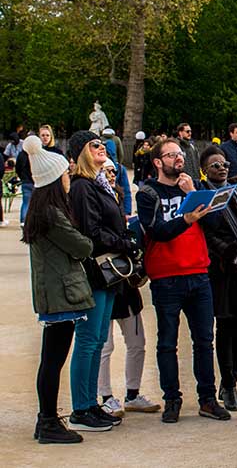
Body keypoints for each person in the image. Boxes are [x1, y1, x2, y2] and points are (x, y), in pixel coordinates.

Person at [136, 138, 229, 423]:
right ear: (157, 162)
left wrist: (194, 192)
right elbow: (156, 231)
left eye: (180, 154)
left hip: (199, 274)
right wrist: (186, 219)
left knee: (204, 340)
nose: (178, 159)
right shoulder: (148, 192)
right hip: (166, 277)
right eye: (171, 155)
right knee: (167, 342)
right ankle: (172, 399)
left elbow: (215, 224)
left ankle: (208, 399)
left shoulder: (194, 187)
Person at [22, 135, 94, 444]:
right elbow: (82, 246)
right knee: (53, 361)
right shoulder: (51, 214)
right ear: (54, 179)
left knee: (51, 360)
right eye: (65, 173)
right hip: (60, 293)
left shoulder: (42, 211)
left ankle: (47, 420)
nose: (69, 177)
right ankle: (48, 421)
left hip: (54, 292)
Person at [67, 130, 140, 432]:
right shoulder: (83, 186)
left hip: (107, 274)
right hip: (96, 271)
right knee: (88, 341)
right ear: (81, 152)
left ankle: (89, 404)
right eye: (94, 144)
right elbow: (91, 233)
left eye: (102, 144)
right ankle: (80, 409)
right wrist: (125, 243)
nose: (102, 148)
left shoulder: (99, 184)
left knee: (97, 340)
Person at [199, 146, 237, 411]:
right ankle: (228, 383)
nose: (222, 168)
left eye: (224, 164)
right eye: (215, 165)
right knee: (225, 327)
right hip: (223, 270)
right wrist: (231, 253)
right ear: (205, 170)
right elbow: (206, 234)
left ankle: (231, 379)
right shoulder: (204, 198)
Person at [97, 160, 160, 417]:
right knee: (104, 344)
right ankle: (105, 396)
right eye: (106, 171)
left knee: (137, 341)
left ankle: (132, 394)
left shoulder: (118, 198)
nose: (111, 175)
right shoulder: (89, 198)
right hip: (104, 278)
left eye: (113, 171)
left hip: (126, 283)